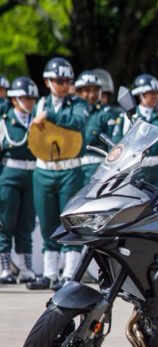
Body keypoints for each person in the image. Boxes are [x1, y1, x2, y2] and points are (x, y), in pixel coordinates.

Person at [26, 58, 88, 291]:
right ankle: (50, 273)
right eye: (58, 81)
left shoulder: (76, 103)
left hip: (70, 170)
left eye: (66, 81)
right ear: (47, 82)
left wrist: (50, 116)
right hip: (44, 170)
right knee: (48, 223)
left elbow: (79, 122)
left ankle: (70, 273)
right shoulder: (39, 104)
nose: (63, 85)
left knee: (69, 221)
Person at [0, 77, 40, 284]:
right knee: (5, 222)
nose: (30, 102)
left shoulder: (38, 122)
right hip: (9, 176)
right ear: (14, 100)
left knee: (26, 225)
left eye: (32, 98)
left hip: (32, 176)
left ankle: (26, 268)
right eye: (25, 97)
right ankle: (4, 267)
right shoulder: (4, 122)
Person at [75, 70, 121, 183]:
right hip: (70, 171)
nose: (91, 95)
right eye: (87, 90)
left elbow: (114, 145)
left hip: (95, 170)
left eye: (95, 90)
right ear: (78, 92)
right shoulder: (70, 111)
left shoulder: (105, 114)